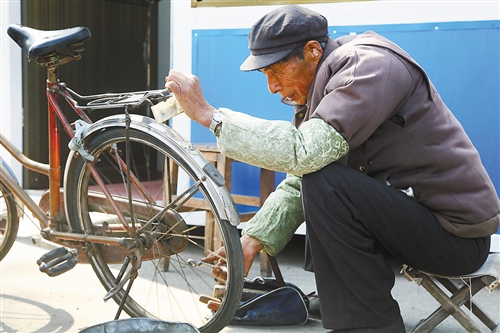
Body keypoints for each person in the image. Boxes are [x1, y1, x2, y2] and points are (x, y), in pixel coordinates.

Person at [165, 5, 499, 332]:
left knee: (327, 182)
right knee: (321, 179)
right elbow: (301, 176)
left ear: (312, 51)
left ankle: (369, 325)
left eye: (277, 71)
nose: (272, 87)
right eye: (266, 75)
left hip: (455, 238)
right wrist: (253, 239)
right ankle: (336, 300)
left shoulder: (367, 67)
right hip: (417, 223)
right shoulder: (324, 86)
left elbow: (305, 155)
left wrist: (211, 116)